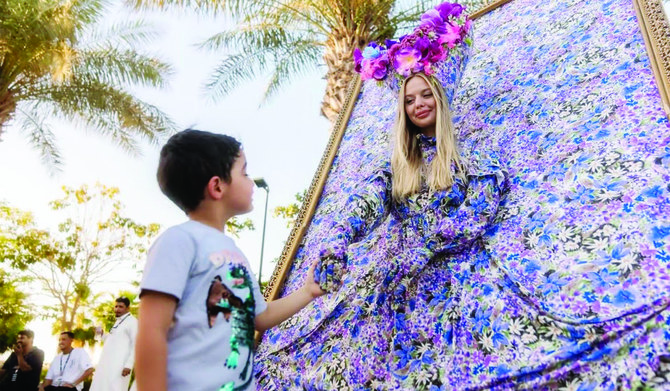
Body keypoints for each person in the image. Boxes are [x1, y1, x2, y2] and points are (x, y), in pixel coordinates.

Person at [253, 2, 507, 388]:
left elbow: (481, 207)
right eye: (409, 99)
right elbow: (363, 206)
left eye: (426, 95)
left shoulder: (468, 158)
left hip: (457, 279)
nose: (418, 104)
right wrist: (337, 242)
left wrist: (426, 243)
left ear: (440, 99)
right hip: (397, 283)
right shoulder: (396, 169)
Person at [134, 130, 325, 391]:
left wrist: (307, 292)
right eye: (244, 172)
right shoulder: (178, 240)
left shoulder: (234, 252)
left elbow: (261, 316)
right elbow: (152, 330)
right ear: (217, 186)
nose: (249, 181)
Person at [89, 297, 137, 391]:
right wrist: (102, 334)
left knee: (115, 388)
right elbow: (112, 340)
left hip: (120, 366)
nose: (117, 309)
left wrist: (129, 365)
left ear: (128, 308)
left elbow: (136, 344)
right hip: (107, 364)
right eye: (116, 306)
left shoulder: (133, 322)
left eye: (120, 307)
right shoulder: (118, 321)